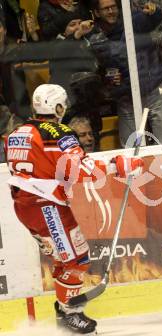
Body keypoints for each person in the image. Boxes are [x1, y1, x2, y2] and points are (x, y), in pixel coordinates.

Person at [5, 84, 144, 334]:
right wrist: (117, 166)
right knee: (76, 260)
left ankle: (65, 310)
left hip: (25, 207)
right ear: (57, 106)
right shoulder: (59, 132)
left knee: (64, 258)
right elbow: (77, 168)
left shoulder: (17, 131)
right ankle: (69, 313)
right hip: (46, 206)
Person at [89, 0, 162, 146]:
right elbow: (97, 68)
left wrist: (154, 11)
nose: (111, 11)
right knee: (130, 148)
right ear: (97, 13)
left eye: (113, 7)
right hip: (126, 96)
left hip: (153, 89)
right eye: (105, 9)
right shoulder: (94, 36)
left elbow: (155, 18)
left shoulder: (133, 20)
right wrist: (106, 79)